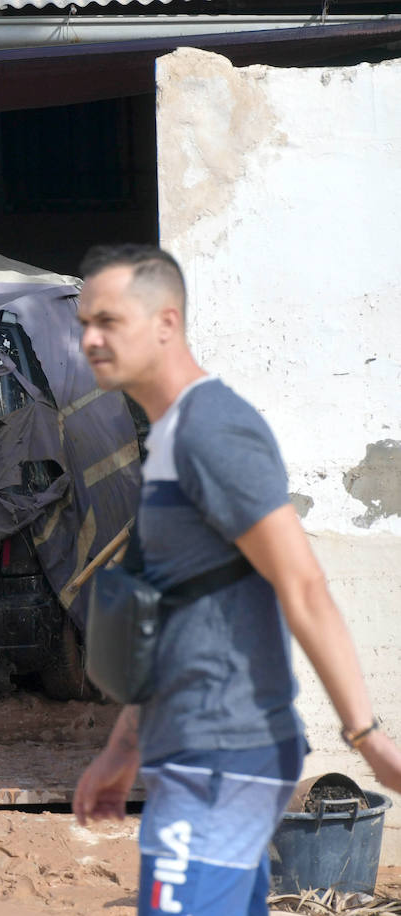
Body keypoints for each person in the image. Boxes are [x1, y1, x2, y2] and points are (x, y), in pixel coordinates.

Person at [71, 244, 401, 915]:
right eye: (82, 323)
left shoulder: (212, 432)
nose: (90, 339)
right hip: (196, 746)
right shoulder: (167, 439)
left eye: (107, 321)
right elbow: (170, 614)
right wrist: (122, 750)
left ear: (166, 323)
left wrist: (366, 736)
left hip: (222, 753)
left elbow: (302, 583)